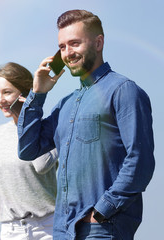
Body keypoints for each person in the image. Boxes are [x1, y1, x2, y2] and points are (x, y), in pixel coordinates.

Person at [17, 10, 155, 239]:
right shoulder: (65, 104)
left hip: (101, 228)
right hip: (63, 229)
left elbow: (140, 161)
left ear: (98, 42)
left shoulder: (124, 91)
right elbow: (27, 149)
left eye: (74, 43)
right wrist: (38, 94)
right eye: (62, 47)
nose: (67, 53)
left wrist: (102, 212)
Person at [0, 62, 58, 240]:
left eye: (7, 92)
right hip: (11, 231)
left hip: (47, 229)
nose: (0, 100)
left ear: (24, 93)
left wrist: (26, 116)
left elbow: (41, 165)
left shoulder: (47, 130)